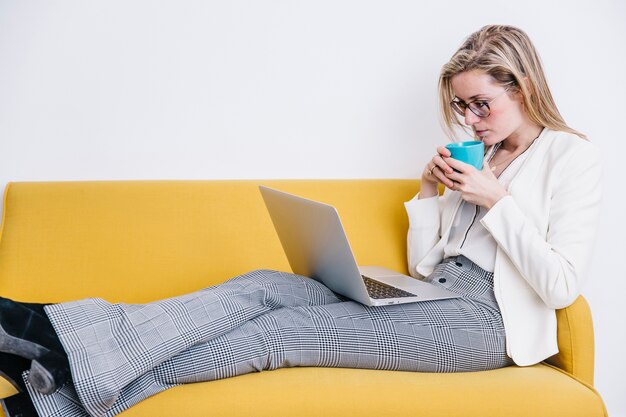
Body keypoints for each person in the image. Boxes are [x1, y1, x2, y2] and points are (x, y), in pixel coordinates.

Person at [0, 24, 601, 417]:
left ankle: (65, 375)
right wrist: (428, 196)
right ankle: (60, 337)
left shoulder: (570, 157)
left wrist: (496, 201)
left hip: (487, 326)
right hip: (435, 295)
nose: (468, 121)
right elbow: (424, 267)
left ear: (522, 88)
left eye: (480, 104)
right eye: (460, 107)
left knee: (284, 333)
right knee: (264, 286)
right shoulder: (487, 156)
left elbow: (559, 286)